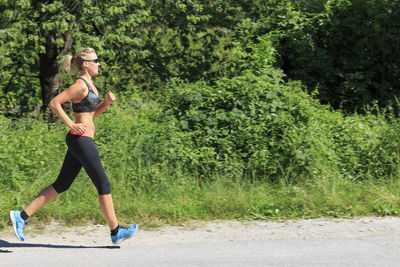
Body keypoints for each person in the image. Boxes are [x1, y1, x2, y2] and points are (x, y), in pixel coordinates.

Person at [10, 47, 138, 245]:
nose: (99, 63)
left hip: (83, 139)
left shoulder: (91, 85)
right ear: (85, 64)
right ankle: (115, 231)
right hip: (81, 139)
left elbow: (91, 113)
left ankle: (21, 216)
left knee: (62, 184)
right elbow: (54, 102)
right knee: (104, 185)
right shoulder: (80, 85)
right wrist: (71, 124)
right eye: (96, 61)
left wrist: (105, 104)